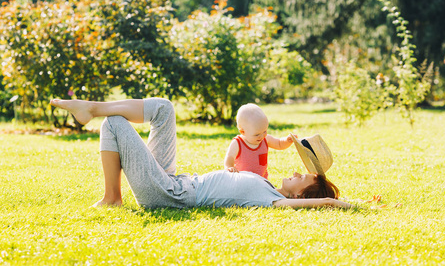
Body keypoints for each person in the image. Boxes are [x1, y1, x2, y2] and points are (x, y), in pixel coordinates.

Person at [50, 97, 353, 209]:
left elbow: (325, 201)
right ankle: (90, 107)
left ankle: (112, 198)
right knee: (164, 108)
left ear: (300, 196)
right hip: (173, 180)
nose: (298, 171)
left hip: (168, 193)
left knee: (115, 124)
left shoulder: (270, 199)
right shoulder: (264, 185)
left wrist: (351, 204)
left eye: (303, 177)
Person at [224, 103, 295, 178]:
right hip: (243, 181)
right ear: (242, 131)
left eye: (264, 131)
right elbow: (230, 156)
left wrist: (287, 141)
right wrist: (229, 166)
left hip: (262, 180)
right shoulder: (238, 143)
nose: (262, 136)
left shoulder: (266, 139)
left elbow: (279, 144)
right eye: (257, 134)